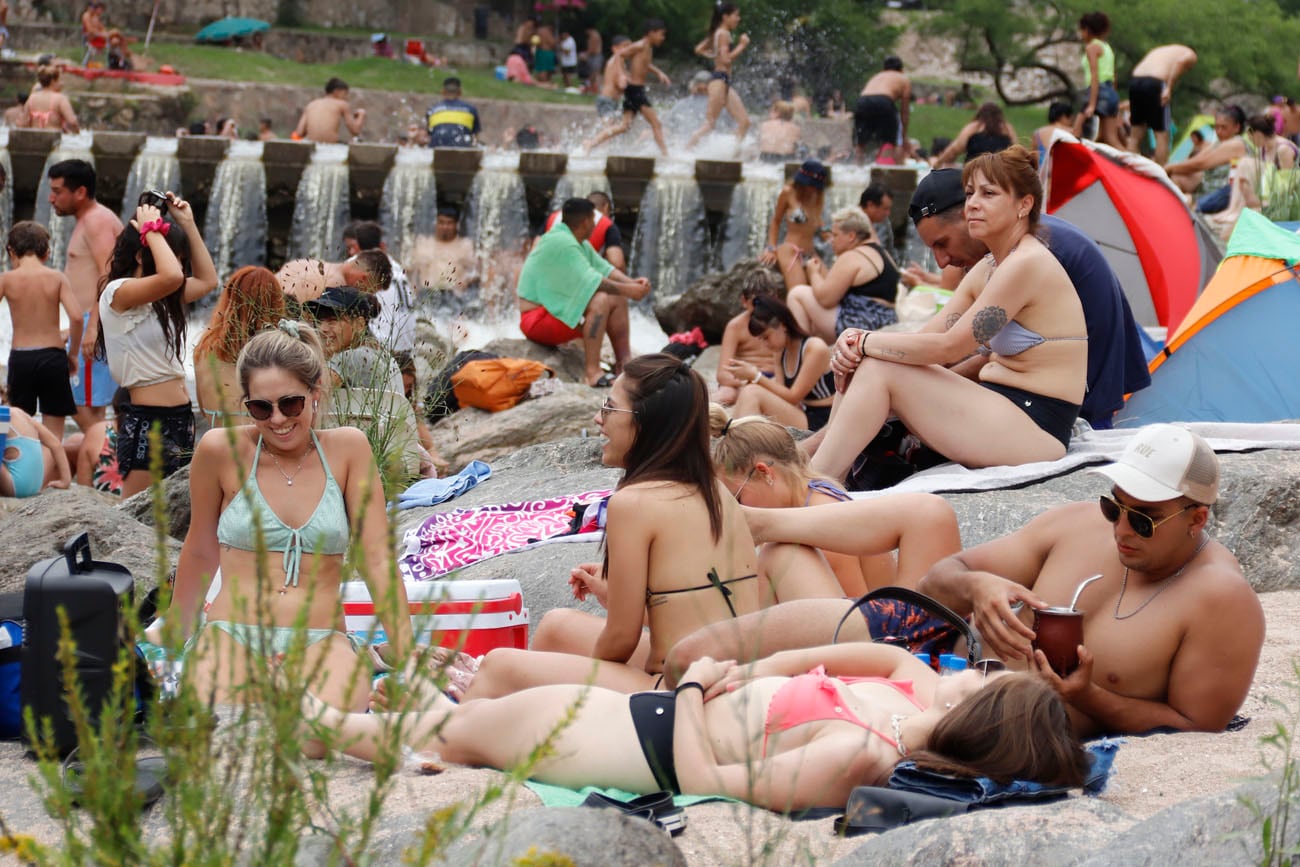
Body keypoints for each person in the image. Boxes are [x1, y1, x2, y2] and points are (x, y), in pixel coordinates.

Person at [311, 642, 1089, 812]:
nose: (974, 666)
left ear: (974, 712)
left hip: (645, 743)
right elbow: (875, 649)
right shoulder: (909, 692)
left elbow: (705, 782)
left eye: (987, 676)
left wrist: (689, 688)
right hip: (662, 712)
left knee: (461, 731)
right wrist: (749, 671)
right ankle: (325, 724)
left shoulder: (862, 753)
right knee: (466, 719)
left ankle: (307, 719)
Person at [919, 425, 1264, 735]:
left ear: (1197, 519)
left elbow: (1198, 726)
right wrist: (977, 587)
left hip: (999, 734)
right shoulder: (1076, 526)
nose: (1121, 530)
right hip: (933, 678)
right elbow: (933, 583)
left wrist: (1089, 697)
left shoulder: (1221, 599)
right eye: (1114, 507)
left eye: (1144, 520)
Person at [160, 323, 414, 739]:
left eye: (291, 404)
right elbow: (201, 549)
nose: (277, 419)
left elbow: (376, 558)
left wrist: (404, 645)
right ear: (245, 404)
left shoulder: (349, 449)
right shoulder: (219, 451)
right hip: (232, 634)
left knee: (319, 734)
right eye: (261, 408)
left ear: (316, 392)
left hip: (319, 640)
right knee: (225, 733)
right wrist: (173, 635)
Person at [459, 354, 764, 699]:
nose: (597, 418)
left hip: (679, 691)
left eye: (608, 407)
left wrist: (570, 684)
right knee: (556, 626)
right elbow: (698, 610)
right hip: (732, 677)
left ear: (645, 423)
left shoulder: (633, 503)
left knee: (499, 666)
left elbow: (620, 641)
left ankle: (456, 729)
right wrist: (618, 592)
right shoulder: (716, 491)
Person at [810, 147, 1088, 481]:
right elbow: (925, 338)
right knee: (871, 363)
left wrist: (863, 340)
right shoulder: (990, 266)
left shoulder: (1026, 263)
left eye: (988, 194)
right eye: (970, 193)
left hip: (1037, 424)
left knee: (879, 367)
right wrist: (855, 348)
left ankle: (813, 486)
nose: (972, 203)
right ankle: (820, 470)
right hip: (1001, 406)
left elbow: (949, 348)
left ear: (1023, 205)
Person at [894, 167, 1149, 431]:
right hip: (1080, 390)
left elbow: (977, 354)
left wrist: (911, 389)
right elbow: (940, 339)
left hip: (1078, 408)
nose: (942, 261)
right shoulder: (1021, 237)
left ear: (970, 214)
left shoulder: (1030, 254)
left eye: (942, 243)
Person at [711, 411, 961, 599]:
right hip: (886, 619)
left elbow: (855, 611)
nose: (738, 508)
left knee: (778, 554)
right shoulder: (816, 492)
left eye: (737, 498)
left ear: (765, 473)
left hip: (878, 635)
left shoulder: (821, 520)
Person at [97, 194, 217, 497]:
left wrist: (187, 224)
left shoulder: (163, 299)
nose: (179, 264)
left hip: (180, 416)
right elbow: (172, 275)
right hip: (147, 419)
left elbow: (207, 280)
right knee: (135, 516)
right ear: (141, 255)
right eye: (173, 254)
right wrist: (151, 228)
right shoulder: (116, 294)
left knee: (170, 513)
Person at [515, 198, 650, 387]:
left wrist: (632, 283)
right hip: (535, 319)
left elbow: (604, 268)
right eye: (594, 220)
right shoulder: (562, 241)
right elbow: (593, 282)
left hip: (551, 313)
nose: (596, 224)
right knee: (600, 299)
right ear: (586, 221)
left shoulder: (576, 241)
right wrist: (631, 291)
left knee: (616, 297)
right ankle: (592, 373)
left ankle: (624, 365)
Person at [50, 159, 122, 433]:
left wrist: (92, 327)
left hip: (94, 326)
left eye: (57, 191)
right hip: (86, 324)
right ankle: (107, 466)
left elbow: (109, 275)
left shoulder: (97, 221)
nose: (51, 198)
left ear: (79, 192)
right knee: (87, 407)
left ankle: (111, 467)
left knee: (86, 409)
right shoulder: (89, 220)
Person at [0, 222, 82, 440]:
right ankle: (52, 475)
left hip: (21, 359)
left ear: (10, 251)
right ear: (46, 252)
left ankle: (23, 473)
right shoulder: (57, 278)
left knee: (17, 430)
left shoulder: (6, 279)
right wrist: (72, 354)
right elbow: (76, 317)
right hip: (53, 358)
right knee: (54, 436)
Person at [786, 206, 899, 343]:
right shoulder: (882, 252)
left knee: (797, 294)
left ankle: (801, 354)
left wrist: (813, 273)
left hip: (863, 324)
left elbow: (825, 299)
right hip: (886, 320)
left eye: (835, 235)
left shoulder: (853, 256)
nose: (831, 240)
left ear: (851, 236)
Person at [193, 266, 287, 427]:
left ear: (229, 299)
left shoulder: (204, 348)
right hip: (261, 445)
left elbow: (202, 408)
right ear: (276, 301)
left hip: (219, 441)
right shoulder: (279, 351)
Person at [724, 294, 834, 432]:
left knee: (753, 393)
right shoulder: (781, 353)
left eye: (766, 337)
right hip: (803, 413)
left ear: (783, 326)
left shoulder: (815, 348)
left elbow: (794, 397)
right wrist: (749, 379)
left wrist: (756, 376)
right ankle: (736, 439)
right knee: (748, 391)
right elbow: (781, 395)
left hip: (824, 420)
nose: (765, 344)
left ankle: (742, 445)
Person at [1204, 112, 1300, 238]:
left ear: (1258, 134)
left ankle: (1236, 211)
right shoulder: (1264, 149)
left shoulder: (1283, 149)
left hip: (1287, 198)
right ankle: (1233, 209)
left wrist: (1260, 199)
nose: (1251, 142)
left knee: (1247, 163)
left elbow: (1288, 184)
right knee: (1244, 162)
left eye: (1251, 138)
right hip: (1270, 190)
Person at [584, 20, 672, 155]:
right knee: (656, 124)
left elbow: (645, 64)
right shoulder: (641, 45)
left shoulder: (647, 47)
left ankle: (591, 143)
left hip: (634, 90)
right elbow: (620, 55)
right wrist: (621, 75)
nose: (663, 38)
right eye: (661, 34)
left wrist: (658, 72)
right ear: (651, 33)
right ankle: (666, 156)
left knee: (624, 126)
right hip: (636, 91)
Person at [304, 286, 404, 395]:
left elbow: (309, 392)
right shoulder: (381, 354)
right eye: (319, 320)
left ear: (359, 325)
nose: (322, 328)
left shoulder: (354, 357)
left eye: (333, 320)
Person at [341, 221, 416, 354]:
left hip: (383, 348)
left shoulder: (358, 266)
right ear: (382, 245)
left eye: (351, 248)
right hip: (408, 348)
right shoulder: (395, 266)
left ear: (357, 246)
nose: (351, 252)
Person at [686, 2, 751, 149]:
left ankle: (730, 154)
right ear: (725, 17)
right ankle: (685, 150)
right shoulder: (723, 34)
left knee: (745, 122)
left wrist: (713, 54)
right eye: (736, 15)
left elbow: (698, 49)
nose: (738, 19)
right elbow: (726, 60)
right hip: (719, 80)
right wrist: (742, 45)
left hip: (723, 81)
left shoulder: (718, 33)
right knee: (709, 124)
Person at [759, 159, 827, 291]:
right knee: (799, 292)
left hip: (810, 252)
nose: (813, 189)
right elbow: (776, 221)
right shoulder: (788, 192)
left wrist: (833, 235)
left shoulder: (818, 196)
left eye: (816, 186)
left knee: (831, 290)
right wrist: (771, 248)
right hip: (790, 250)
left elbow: (818, 221)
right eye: (811, 185)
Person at [714, 270, 780, 406]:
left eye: (766, 303)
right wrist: (747, 380)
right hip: (742, 380)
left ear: (775, 298)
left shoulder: (783, 323)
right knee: (726, 395)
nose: (761, 310)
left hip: (775, 380)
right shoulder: (735, 326)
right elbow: (722, 374)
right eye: (756, 304)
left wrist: (764, 381)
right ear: (744, 301)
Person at [1166, 106, 1248, 213]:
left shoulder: (1237, 143)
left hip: (1222, 194)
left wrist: (1169, 168)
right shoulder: (1217, 143)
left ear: (1236, 127)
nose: (1219, 131)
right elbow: (1198, 159)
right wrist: (1170, 169)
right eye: (1216, 127)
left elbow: (1201, 164)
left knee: (1178, 186)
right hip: (1206, 187)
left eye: (1224, 127)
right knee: (1176, 177)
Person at [1127, 45, 1197, 165]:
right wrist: (1169, 87)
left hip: (1135, 80)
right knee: (1162, 135)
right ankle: (1160, 171)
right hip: (1155, 83)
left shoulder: (1162, 50)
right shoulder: (1191, 54)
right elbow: (1180, 62)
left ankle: (1128, 167)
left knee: (1135, 133)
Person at [1075, 12, 1122, 150]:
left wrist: (1091, 104)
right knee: (1107, 138)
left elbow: (1095, 76)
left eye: (1081, 30)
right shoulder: (1107, 48)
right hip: (1110, 93)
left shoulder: (1091, 47)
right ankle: (1133, 162)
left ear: (1087, 30)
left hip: (1097, 91)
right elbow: (1113, 76)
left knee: (1076, 132)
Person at [0, 406, 71, 498]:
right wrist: (65, 480)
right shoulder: (21, 414)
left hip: (16, 486)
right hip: (35, 485)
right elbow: (56, 444)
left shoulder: (3, 418)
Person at [854, 57, 911, 164]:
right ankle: (887, 169)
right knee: (888, 141)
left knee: (861, 142)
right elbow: (905, 111)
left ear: (883, 69)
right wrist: (903, 135)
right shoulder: (903, 79)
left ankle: (857, 169)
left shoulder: (877, 76)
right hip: (884, 101)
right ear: (901, 70)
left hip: (862, 101)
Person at [407, 207, 477, 294]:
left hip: (454, 296)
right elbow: (410, 270)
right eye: (441, 222)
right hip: (426, 294)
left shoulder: (466, 245)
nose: (445, 227)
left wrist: (465, 281)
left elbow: (476, 272)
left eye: (449, 223)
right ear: (435, 223)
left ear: (456, 225)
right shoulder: (423, 243)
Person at [930, 103, 1017, 167]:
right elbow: (1016, 151)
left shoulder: (974, 127)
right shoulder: (1007, 129)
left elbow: (954, 150)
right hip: (1001, 173)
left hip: (973, 171)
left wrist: (939, 162)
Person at [293, 78, 366, 144]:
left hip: (311, 145)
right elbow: (355, 131)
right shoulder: (341, 104)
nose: (346, 97)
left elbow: (299, 132)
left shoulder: (311, 104)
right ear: (336, 91)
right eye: (345, 94)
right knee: (356, 141)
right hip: (330, 147)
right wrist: (361, 115)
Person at [424, 77, 481, 149]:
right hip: (462, 147)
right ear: (460, 92)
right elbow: (476, 138)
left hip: (437, 147)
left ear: (443, 91)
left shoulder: (432, 109)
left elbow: (427, 137)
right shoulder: (471, 109)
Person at [22, 66, 79, 133]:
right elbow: (72, 121)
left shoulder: (31, 98)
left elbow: (23, 123)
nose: (62, 83)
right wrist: (77, 133)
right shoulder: (60, 99)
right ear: (53, 81)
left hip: (34, 138)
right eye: (59, 80)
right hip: (53, 138)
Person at [593, 35, 630, 123]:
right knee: (609, 127)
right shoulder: (615, 61)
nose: (629, 49)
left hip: (612, 101)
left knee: (612, 127)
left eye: (630, 46)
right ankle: (593, 137)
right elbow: (619, 83)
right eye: (625, 46)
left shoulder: (621, 63)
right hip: (607, 100)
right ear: (615, 48)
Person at [859, 183, 895, 249]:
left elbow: (890, 253)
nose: (888, 213)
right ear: (871, 205)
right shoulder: (847, 223)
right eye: (885, 209)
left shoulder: (884, 223)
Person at [583, 27, 604, 92]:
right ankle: (593, 89)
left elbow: (592, 48)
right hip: (595, 56)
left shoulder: (593, 35)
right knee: (594, 74)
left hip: (595, 57)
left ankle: (597, 89)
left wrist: (586, 55)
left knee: (595, 74)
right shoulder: (595, 34)